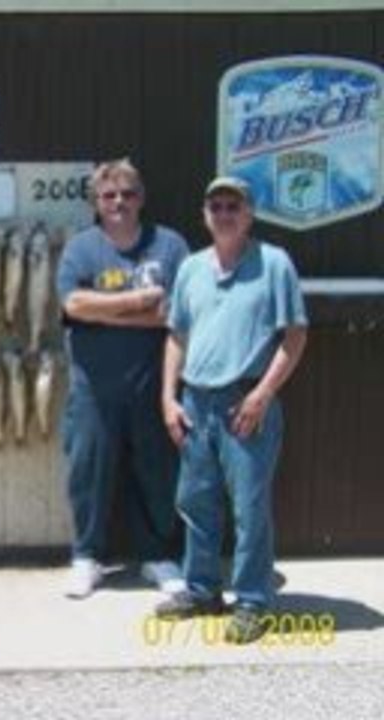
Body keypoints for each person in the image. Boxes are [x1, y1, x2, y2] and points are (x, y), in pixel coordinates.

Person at [156, 176, 308, 644]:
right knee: (196, 503)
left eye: (233, 206)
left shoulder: (274, 263)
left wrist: (262, 395)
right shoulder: (191, 269)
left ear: (249, 214)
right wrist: (168, 397)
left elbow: (295, 337)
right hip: (196, 403)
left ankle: (252, 601)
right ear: (205, 215)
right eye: (216, 206)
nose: (224, 214)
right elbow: (177, 335)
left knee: (249, 507)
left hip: (247, 402)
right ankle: (202, 590)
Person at [56, 158, 190, 599]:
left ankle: (158, 557)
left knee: (157, 470)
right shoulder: (81, 248)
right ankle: (87, 557)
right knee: (88, 471)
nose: (119, 202)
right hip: (93, 387)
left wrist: (105, 312)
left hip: (155, 385)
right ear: (96, 202)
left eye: (128, 194)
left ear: (142, 198)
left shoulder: (169, 246)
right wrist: (139, 301)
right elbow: (72, 305)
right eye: (109, 195)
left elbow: (177, 314)